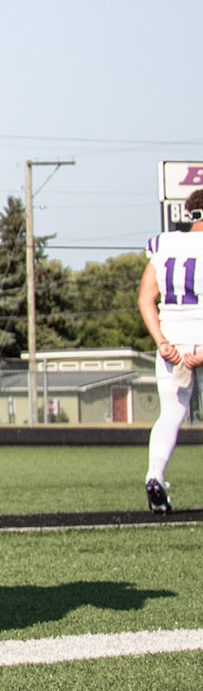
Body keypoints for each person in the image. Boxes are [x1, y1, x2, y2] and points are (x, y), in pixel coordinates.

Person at [137, 188, 203, 512]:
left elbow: (145, 299)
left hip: (173, 344)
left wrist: (162, 342)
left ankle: (155, 474)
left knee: (171, 414)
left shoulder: (164, 244)